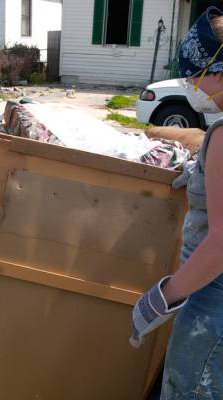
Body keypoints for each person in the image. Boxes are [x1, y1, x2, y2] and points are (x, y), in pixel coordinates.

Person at [131, 6, 223, 399]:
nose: (191, 85)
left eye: (194, 76)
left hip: (213, 305)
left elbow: (221, 242)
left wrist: (163, 298)